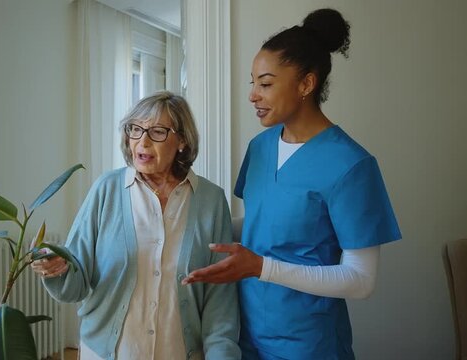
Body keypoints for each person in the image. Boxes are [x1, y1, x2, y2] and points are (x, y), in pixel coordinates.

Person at [182, 8, 402, 360]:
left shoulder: (351, 165)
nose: (253, 94)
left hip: (308, 343)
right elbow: (258, 226)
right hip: (245, 333)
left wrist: (261, 267)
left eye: (265, 84)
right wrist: (193, 225)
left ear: (306, 84)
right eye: (252, 82)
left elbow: (362, 280)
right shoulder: (260, 148)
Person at [32, 91, 241, 360]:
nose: (142, 141)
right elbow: (77, 280)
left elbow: (219, 298)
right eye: (135, 129)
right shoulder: (106, 189)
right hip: (109, 353)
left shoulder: (211, 200)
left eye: (157, 132)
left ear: (182, 140)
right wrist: (56, 269)